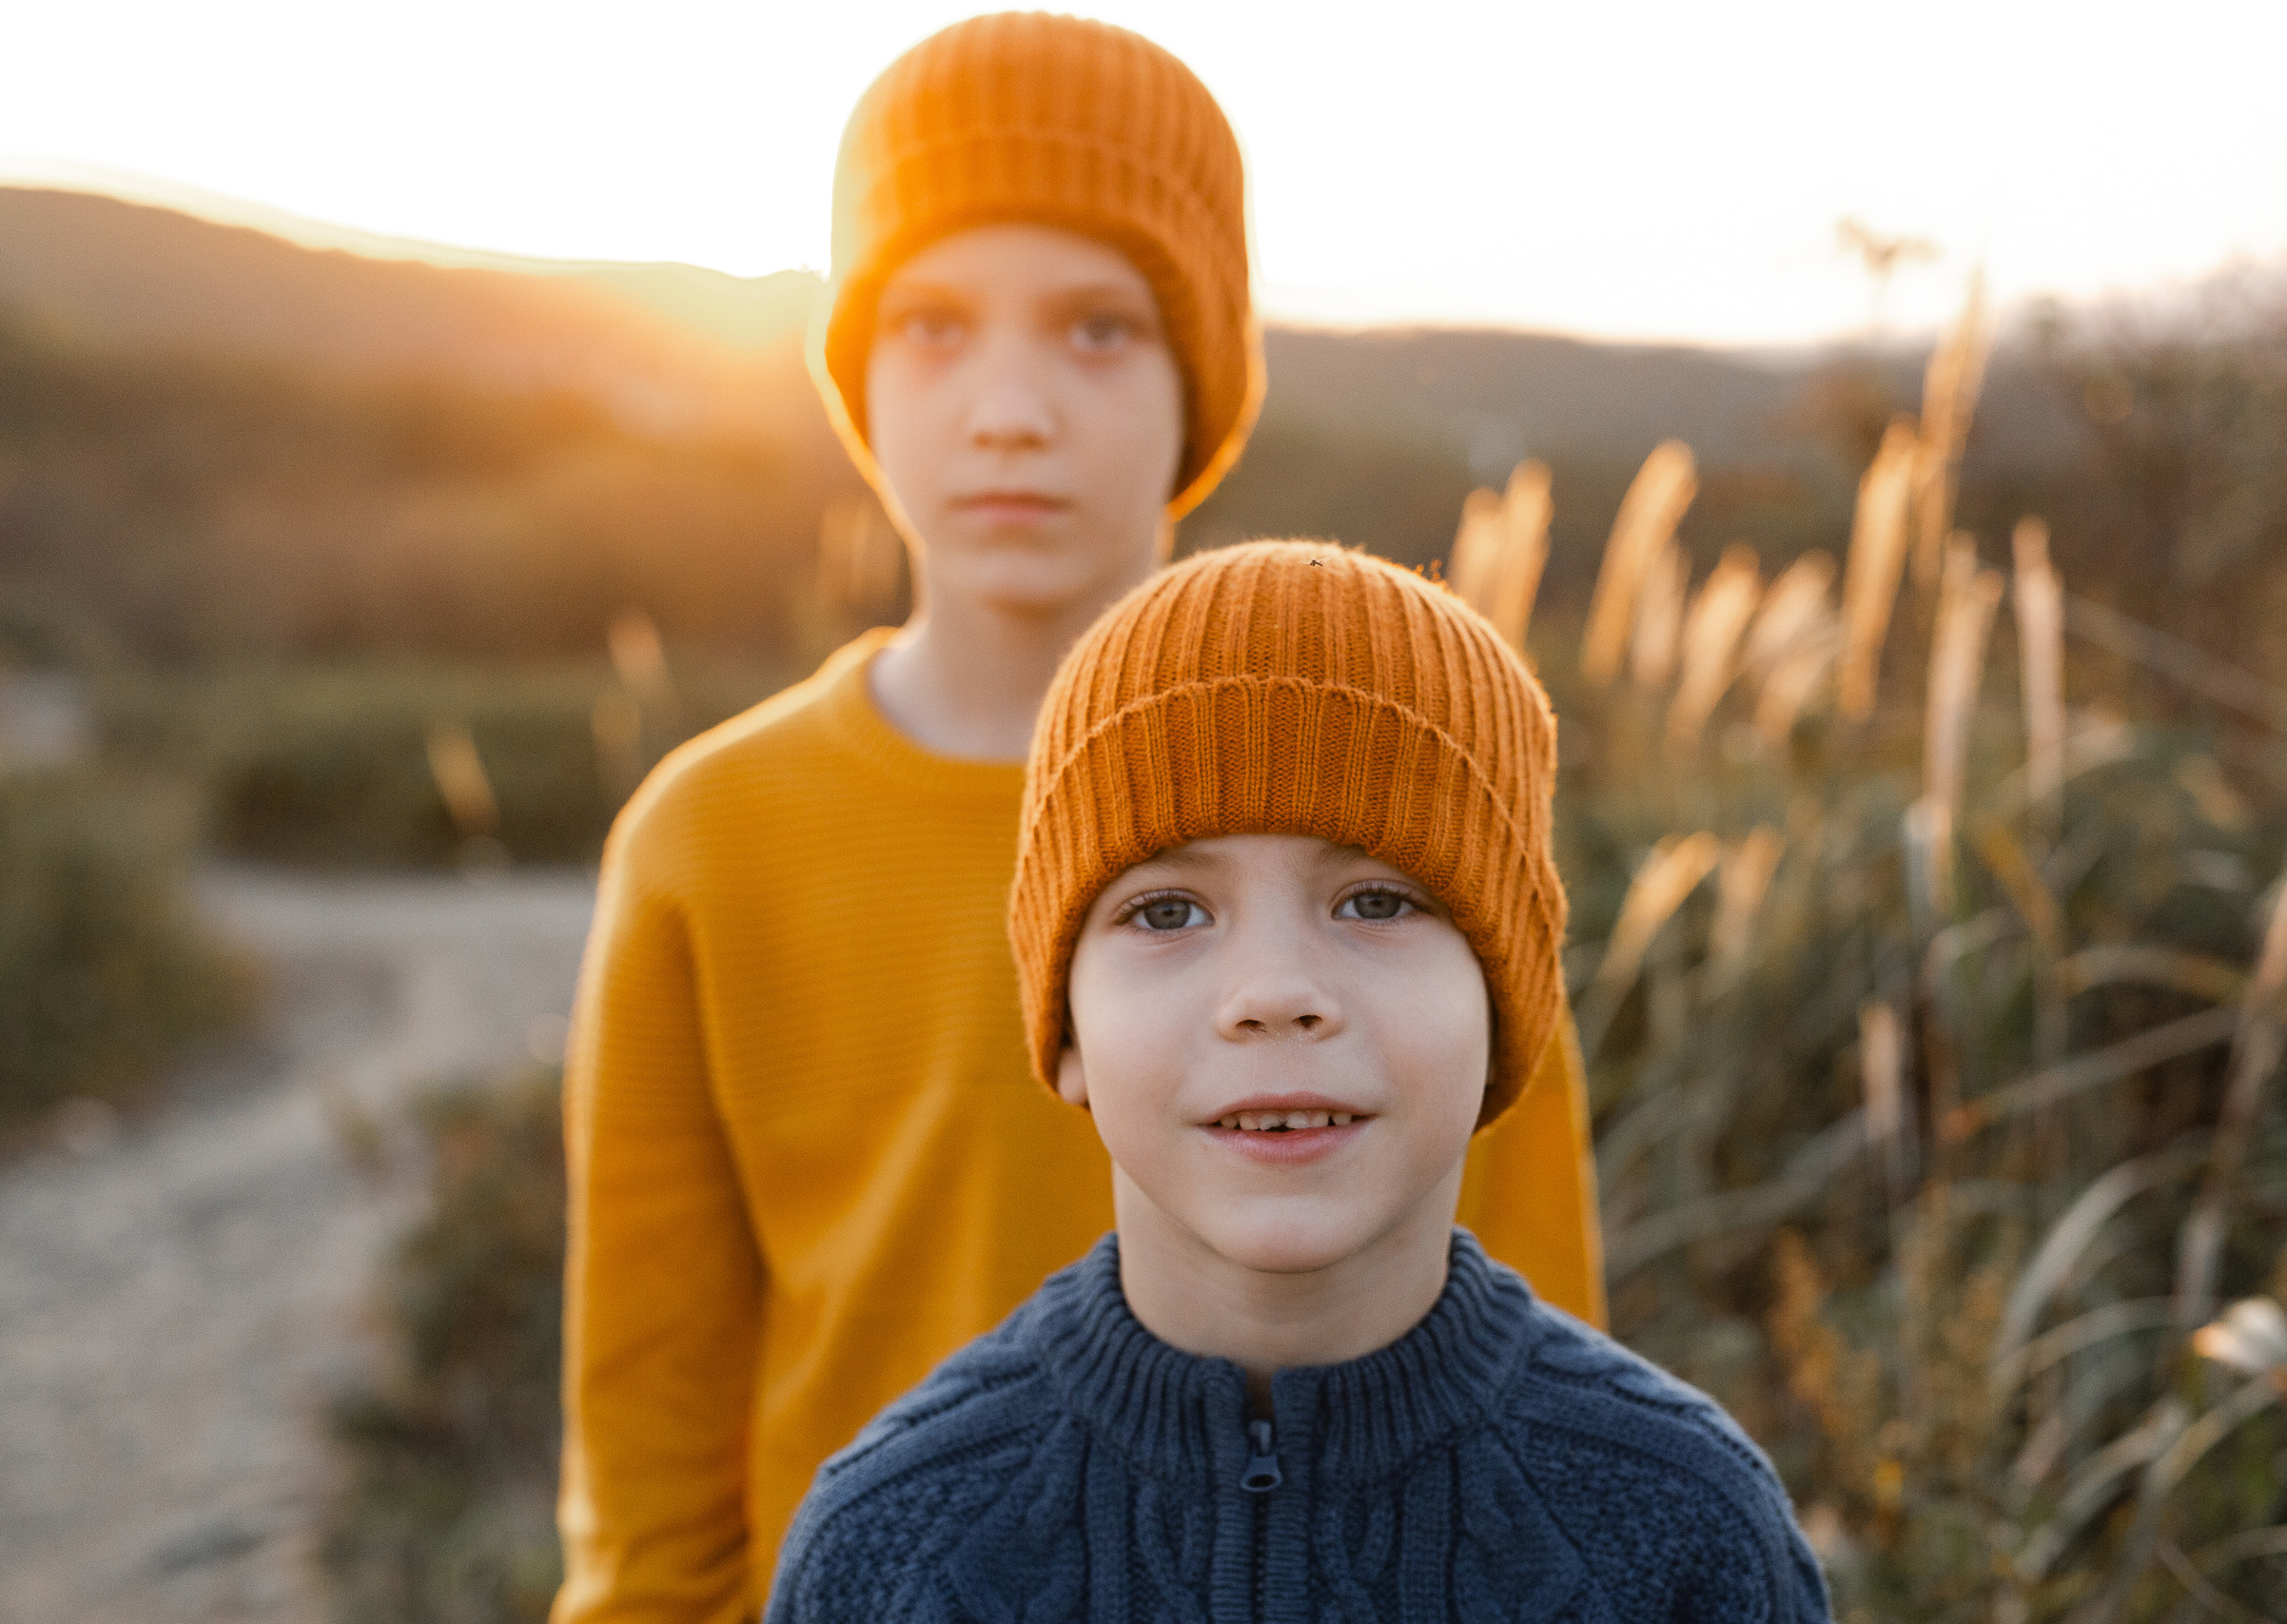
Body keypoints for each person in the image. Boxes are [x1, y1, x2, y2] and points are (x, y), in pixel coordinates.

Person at [554, 15, 1605, 1621]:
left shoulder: (1394, 787)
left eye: (1099, 328)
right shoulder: (710, 838)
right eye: (931, 325)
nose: (1009, 407)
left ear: (1207, 372)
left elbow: (1538, 1362)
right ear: (854, 369)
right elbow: (648, 1449)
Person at [762, 541, 1832, 1622]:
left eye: (1376, 901)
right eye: (1166, 912)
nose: (1273, 994)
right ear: (1066, 1024)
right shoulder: (894, 1547)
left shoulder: (1681, 1531)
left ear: (1506, 1000)